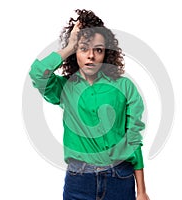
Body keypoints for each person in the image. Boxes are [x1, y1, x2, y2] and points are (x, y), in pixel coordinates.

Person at [29, 9, 150, 200]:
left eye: (98, 49)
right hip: (79, 182)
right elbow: (37, 73)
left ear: (106, 53)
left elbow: (133, 139)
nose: (91, 56)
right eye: (83, 48)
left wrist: (142, 191)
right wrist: (69, 46)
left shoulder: (124, 87)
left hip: (119, 178)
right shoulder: (65, 88)